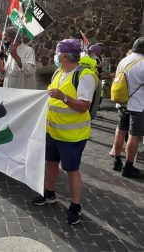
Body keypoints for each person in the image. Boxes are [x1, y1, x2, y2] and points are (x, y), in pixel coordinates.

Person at [32, 38, 98, 225]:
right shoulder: (57, 73)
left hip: (72, 135)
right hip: (52, 130)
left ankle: (75, 206)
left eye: (57, 52)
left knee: (71, 170)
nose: (55, 55)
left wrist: (64, 97)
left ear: (64, 56)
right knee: (51, 162)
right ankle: (49, 193)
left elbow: (83, 106)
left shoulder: (84, 75)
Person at [111, 37, 144, 178]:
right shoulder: (142, 63)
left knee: (120, 131)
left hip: (122, 102)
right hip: (138, 104)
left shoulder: (123, 61)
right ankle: (128, 167)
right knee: (134, 135)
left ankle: (117, 160)